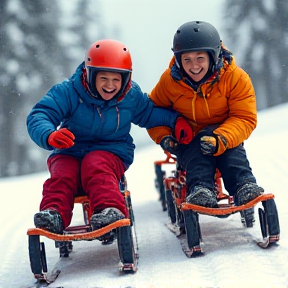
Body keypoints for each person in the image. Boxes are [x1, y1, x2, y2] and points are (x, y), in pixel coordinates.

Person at [26, 39, 192, 234]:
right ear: (90, 75)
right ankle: (54, 214)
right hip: (70, 150)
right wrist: (49, 134)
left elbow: (149, 113)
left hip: (112, 150)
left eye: (116, 79)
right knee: (62, 173)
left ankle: (109, 210)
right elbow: (40, 114)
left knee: (96, 165)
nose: (110, 85)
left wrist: (175, 121)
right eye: (103, 78)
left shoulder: (130, 96)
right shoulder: (69, 92)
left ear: (125, 80)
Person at [147, 21, 264, 208]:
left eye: (200, 58)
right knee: (196, 156)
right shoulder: (169, 82)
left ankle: (244, 186)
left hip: (224, 134)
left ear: (213, 56)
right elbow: (153, 113)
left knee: (233, 156)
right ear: (178, 60)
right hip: (190, 137)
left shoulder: (235, 78)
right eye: (187, 60)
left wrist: (222, 138)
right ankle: (201, 190)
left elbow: (245, 117)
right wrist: (165, 137)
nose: (194, 66)